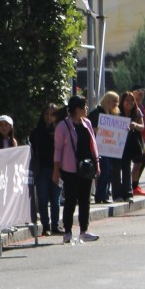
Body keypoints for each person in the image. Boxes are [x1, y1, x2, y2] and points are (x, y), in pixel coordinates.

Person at [53, 95, 101, 242]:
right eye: (84, 106)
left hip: (86, 167)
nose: (86, 109)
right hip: (70, 168)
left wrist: (97, 164)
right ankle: (67, 232)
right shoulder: (63, 126)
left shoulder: (87, 123)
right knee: (71, 200)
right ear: (76, 109)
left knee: (85, 199)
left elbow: (93, 144)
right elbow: (58, 149)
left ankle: (84, 231)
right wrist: (56, 170)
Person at [29, 104, 62, 237]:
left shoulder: (61, 131)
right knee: (42, 200)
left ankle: (55, 225)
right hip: (42, 170)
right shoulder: (37, 132)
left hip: (57, 169)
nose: (49, 117)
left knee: (55, 199)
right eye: (46, 114)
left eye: (52, 114)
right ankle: (45, 226)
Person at [92, 91, 124, 203]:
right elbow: (92, 128)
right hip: (99, 147)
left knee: (108, 171)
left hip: (109, 148)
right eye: (114, 101)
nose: (116, 104)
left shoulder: (111, 114)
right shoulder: (97, 113)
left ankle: (104, 195)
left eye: (117, 102)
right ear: (107, 101)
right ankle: (100, 196)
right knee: (104, 171)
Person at [119, 90, 145, 200]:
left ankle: (128, 192)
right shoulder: (117, 111)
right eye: (127, 100)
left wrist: (135, 125)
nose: (129, 103)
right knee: (119, 168)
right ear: (122, 101)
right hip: (119, 143)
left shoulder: (137, 111)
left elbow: (142, 127)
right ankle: (120, 192)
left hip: (132, 143)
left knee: (129, 167)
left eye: (132, 100)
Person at [130, 87, 145, 193]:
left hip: (142, 138)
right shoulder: (132, 106)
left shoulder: (141, 106)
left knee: (143, 161)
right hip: (135, 137)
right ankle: (133, 185)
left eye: (143, 91)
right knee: (138, 161)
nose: (141, 93)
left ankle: (134, 184)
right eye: (138, 91)